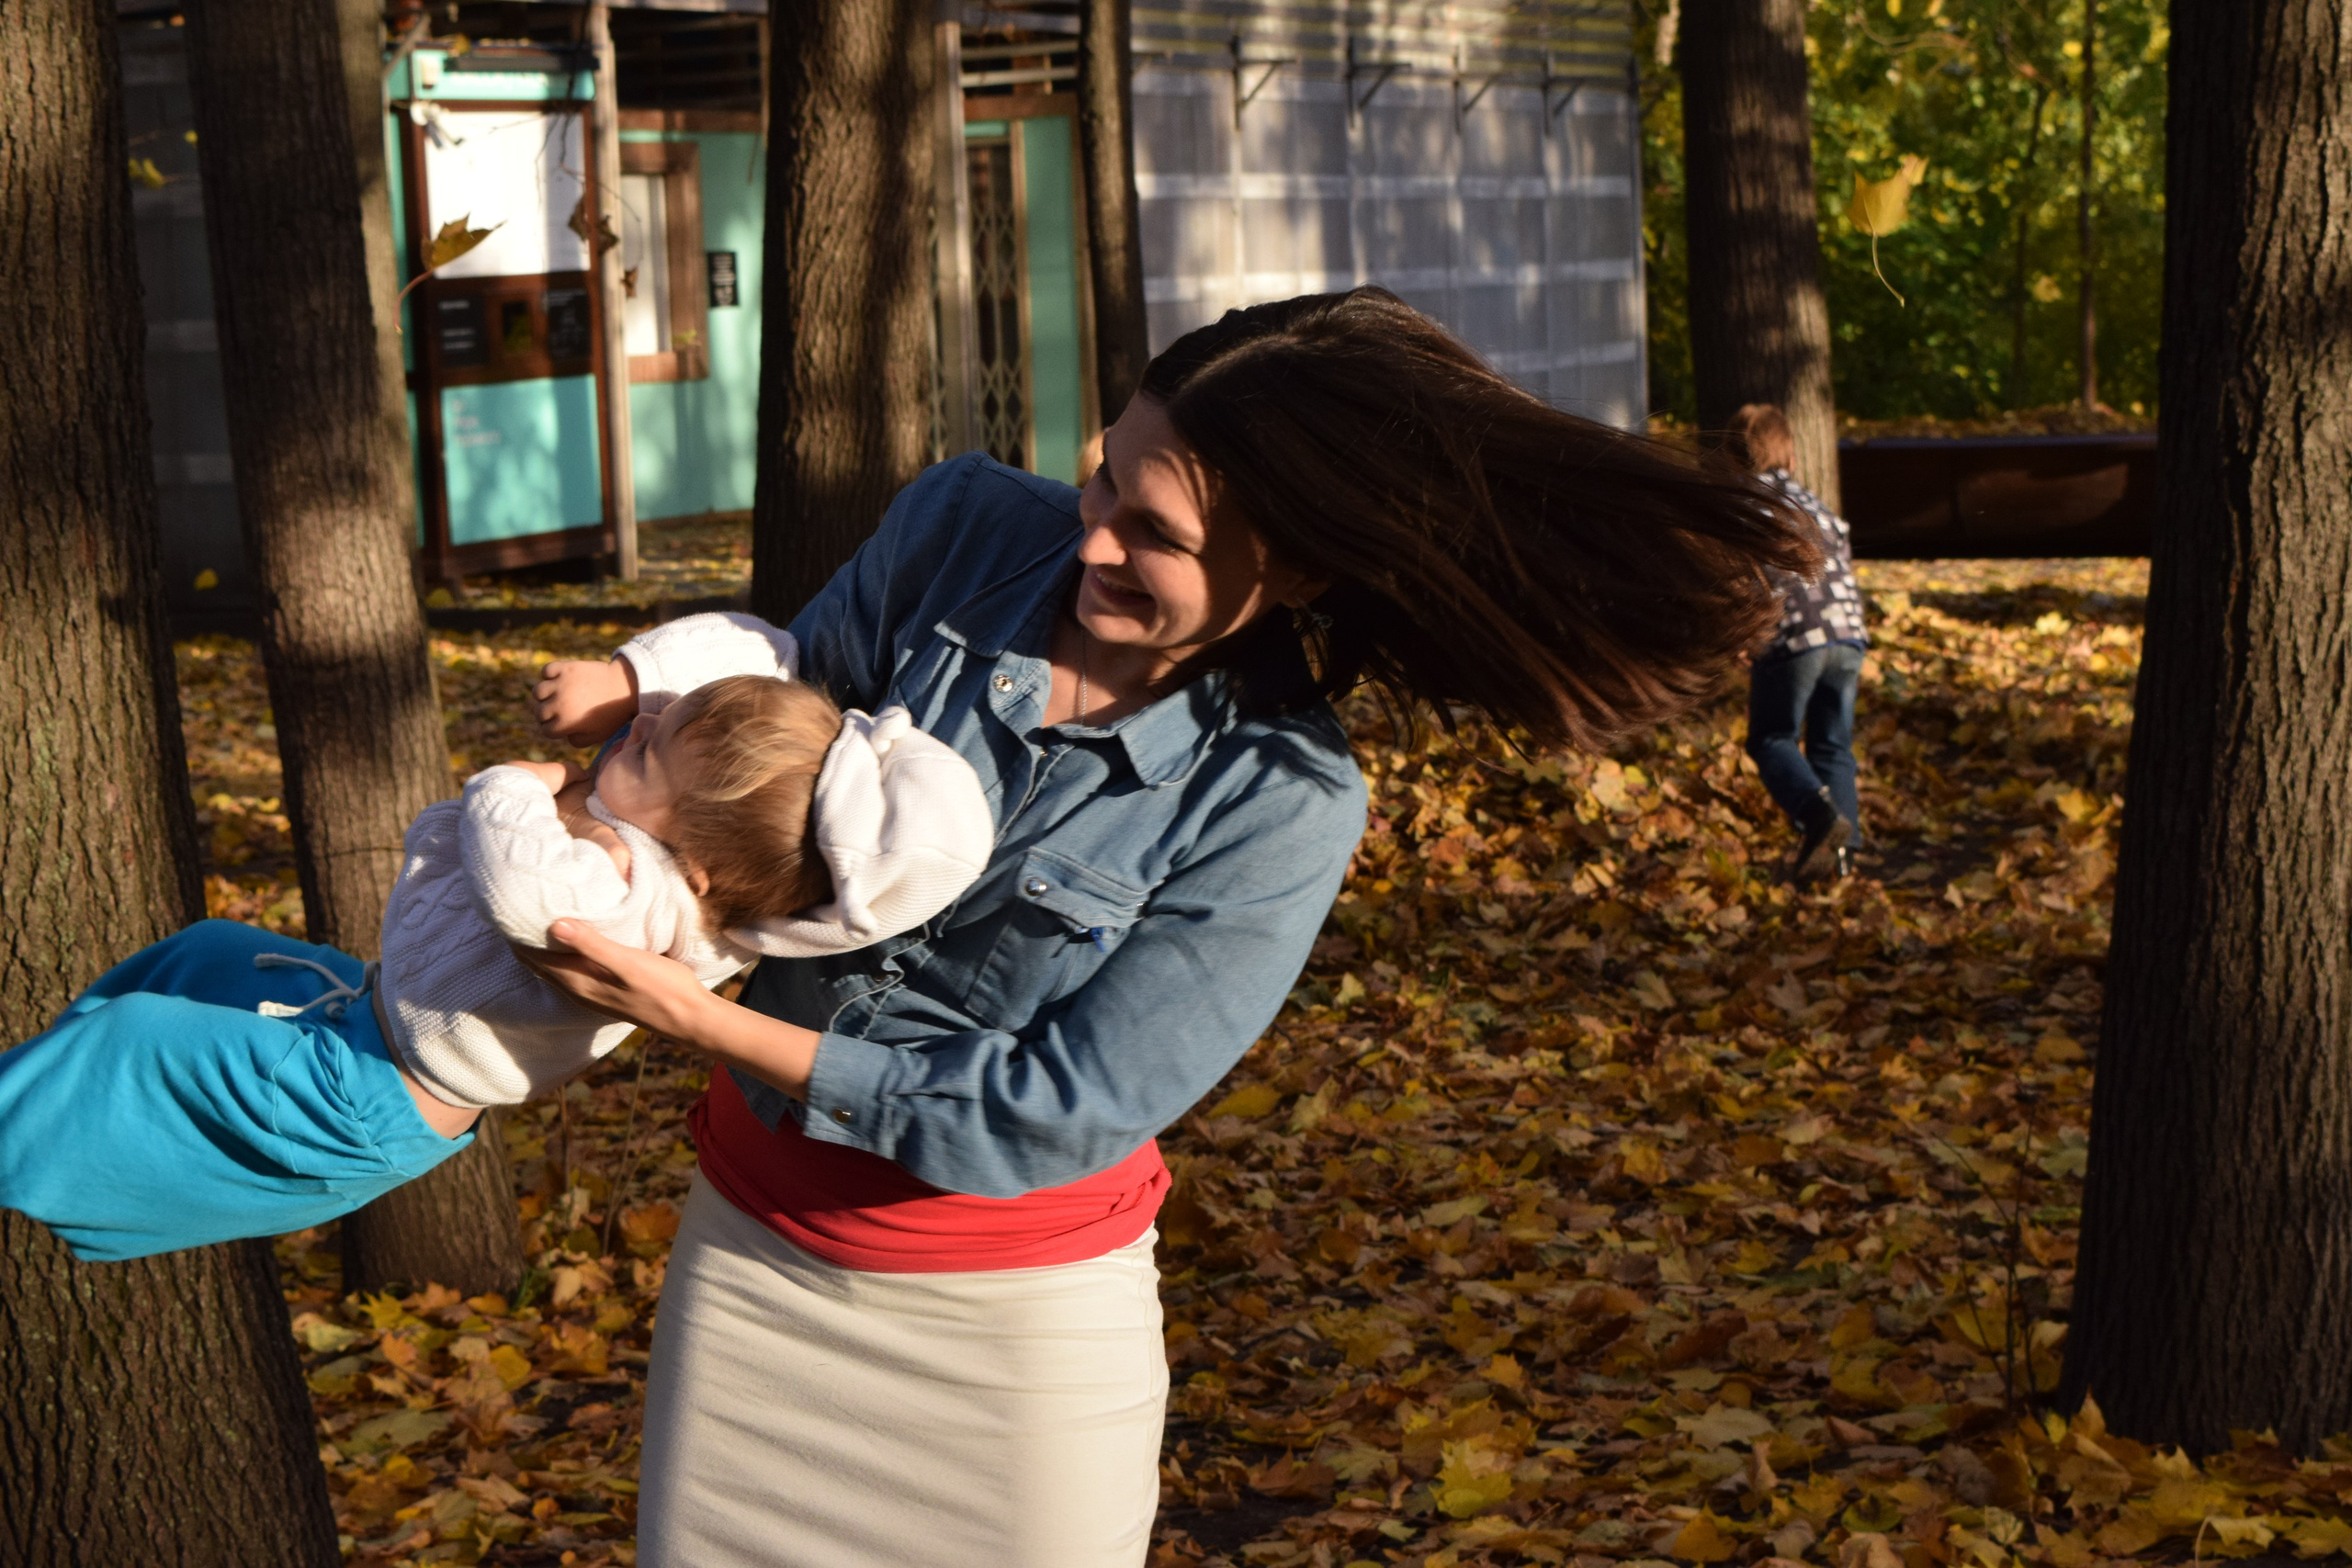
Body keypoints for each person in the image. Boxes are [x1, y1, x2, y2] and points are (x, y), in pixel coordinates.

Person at [515, 288, 1819, 1568]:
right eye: (1101, 483)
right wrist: (600, 779)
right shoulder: (961, 528)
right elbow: (755, 751)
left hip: (1010, 1337)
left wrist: (706, 1019)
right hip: (755, 1260)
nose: (1091, 541)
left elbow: (1060, 1105)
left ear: (1298, 561)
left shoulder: (1281, 799)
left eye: (1156, 530)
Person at [0, 615, 990, 1262]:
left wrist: (516, 781)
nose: (624, 737)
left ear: (692, 857)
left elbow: (524, 894)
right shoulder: (718, 885)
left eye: (643, 746)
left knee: (127, 1051)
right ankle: (44, 1106)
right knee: (206, 954)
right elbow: (762, 654)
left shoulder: (635, 899)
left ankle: (41, 1116)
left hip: (357, 1093)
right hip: (358, 1028)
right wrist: (631, 678)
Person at [1730, 402, 1869, 882]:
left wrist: (1743, 637)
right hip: (1848, 634)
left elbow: (1738, 581)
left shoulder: (1743, 505)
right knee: (1834, 745)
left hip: (1794, 637)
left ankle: (1818, 815)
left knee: (1771, 736)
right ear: (1790, 457)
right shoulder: (1817, 506)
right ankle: (1841, 860)